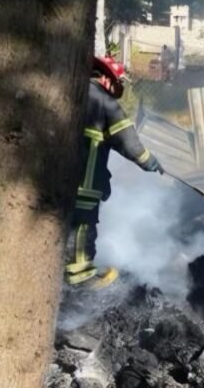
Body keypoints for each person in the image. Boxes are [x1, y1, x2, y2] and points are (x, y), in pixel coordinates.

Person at [65, 56, 164, 288]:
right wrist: (150, 162)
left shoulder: (69, 91)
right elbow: (129, 142)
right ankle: (80, 276)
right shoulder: (103, 100)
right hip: (84, 179)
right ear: (108, 80)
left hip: (56, 176)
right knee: (82, 224)